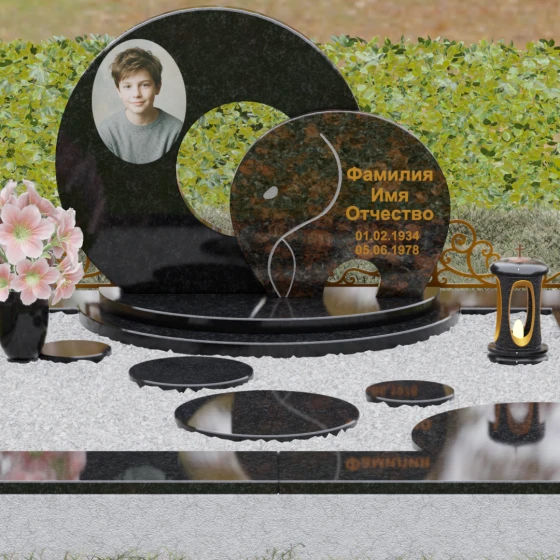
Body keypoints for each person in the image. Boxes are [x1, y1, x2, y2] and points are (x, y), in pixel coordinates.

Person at [97, 47, 183, 164]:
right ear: (119, 91)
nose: (136, 94)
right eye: (127, 86)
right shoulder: (107, 131)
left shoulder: (176, 131)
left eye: (144, 85)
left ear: (157, 87)